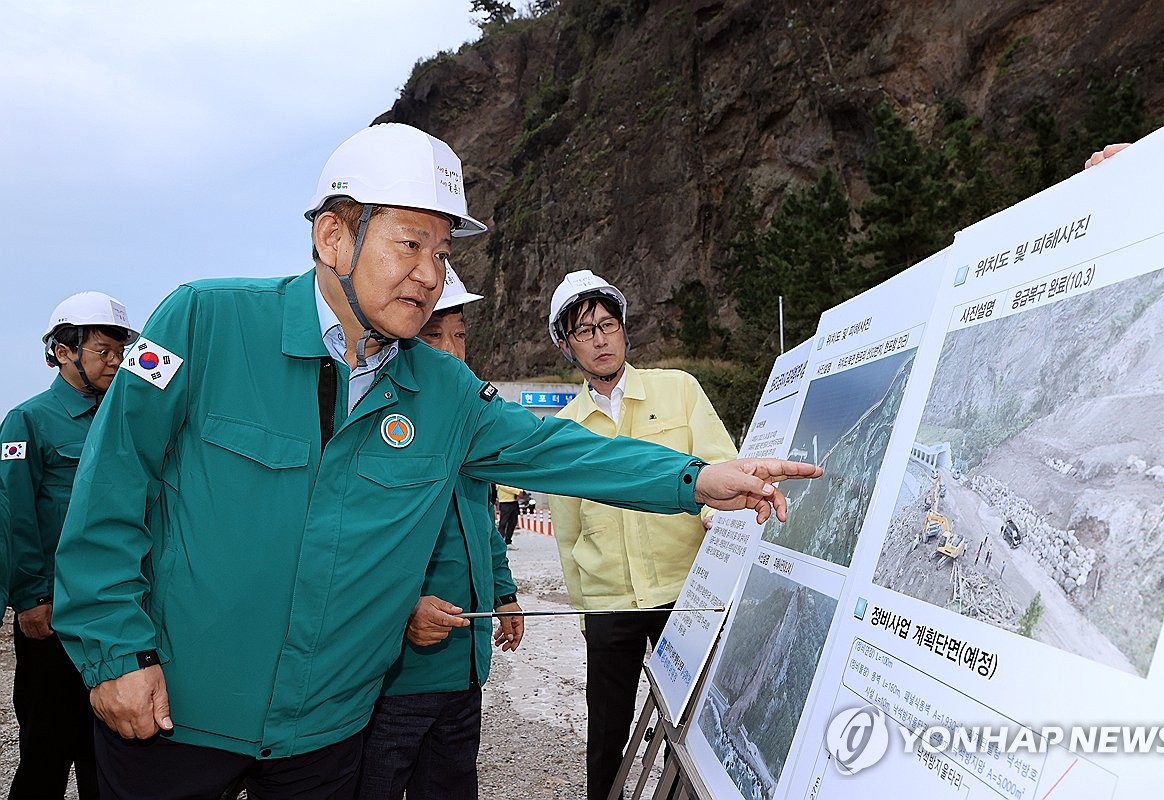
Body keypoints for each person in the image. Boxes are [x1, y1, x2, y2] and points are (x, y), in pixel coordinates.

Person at [50, 122, 822, 800]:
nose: (430, 273)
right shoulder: (204, 321)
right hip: (174, 716)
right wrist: (116, 652)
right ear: (333, 238)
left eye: (442, 250)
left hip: (326, 740)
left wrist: (695, 479)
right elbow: (111, 490)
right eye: (410, 243)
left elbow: (558, 450)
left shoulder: (442, 389)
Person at [545, 269, 740, 800]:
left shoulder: (679, 389)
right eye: (585, 331)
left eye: (608, 324)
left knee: (700, 722)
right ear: (567, 345)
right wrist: (586, 609)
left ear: (625, 329)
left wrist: (714, 515)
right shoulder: (564, 429)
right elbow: (567, 534)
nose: (601, 338)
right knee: (606, 730)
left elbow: (723, 466)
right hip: (610, 603)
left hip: (684, 595)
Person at [356, 265, 523, 799]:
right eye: (435, 335)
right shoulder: (371, 420)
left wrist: (505, 593)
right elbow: (345, 546)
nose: (452, 351)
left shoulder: (469, 422)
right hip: (394, 678)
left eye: (460, 335)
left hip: (463, 670)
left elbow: (484, 528)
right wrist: (401, 608)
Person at [0, 291, 138, 800]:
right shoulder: (28, 421)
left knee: (108, 751)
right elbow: (14, 514)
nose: (116, 361)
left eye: (120, 350)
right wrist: (32, 597)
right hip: (54, 610)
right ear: (63, 352)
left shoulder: (124, 415)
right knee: (47, 751)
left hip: (113, 611)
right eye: (104, 350)